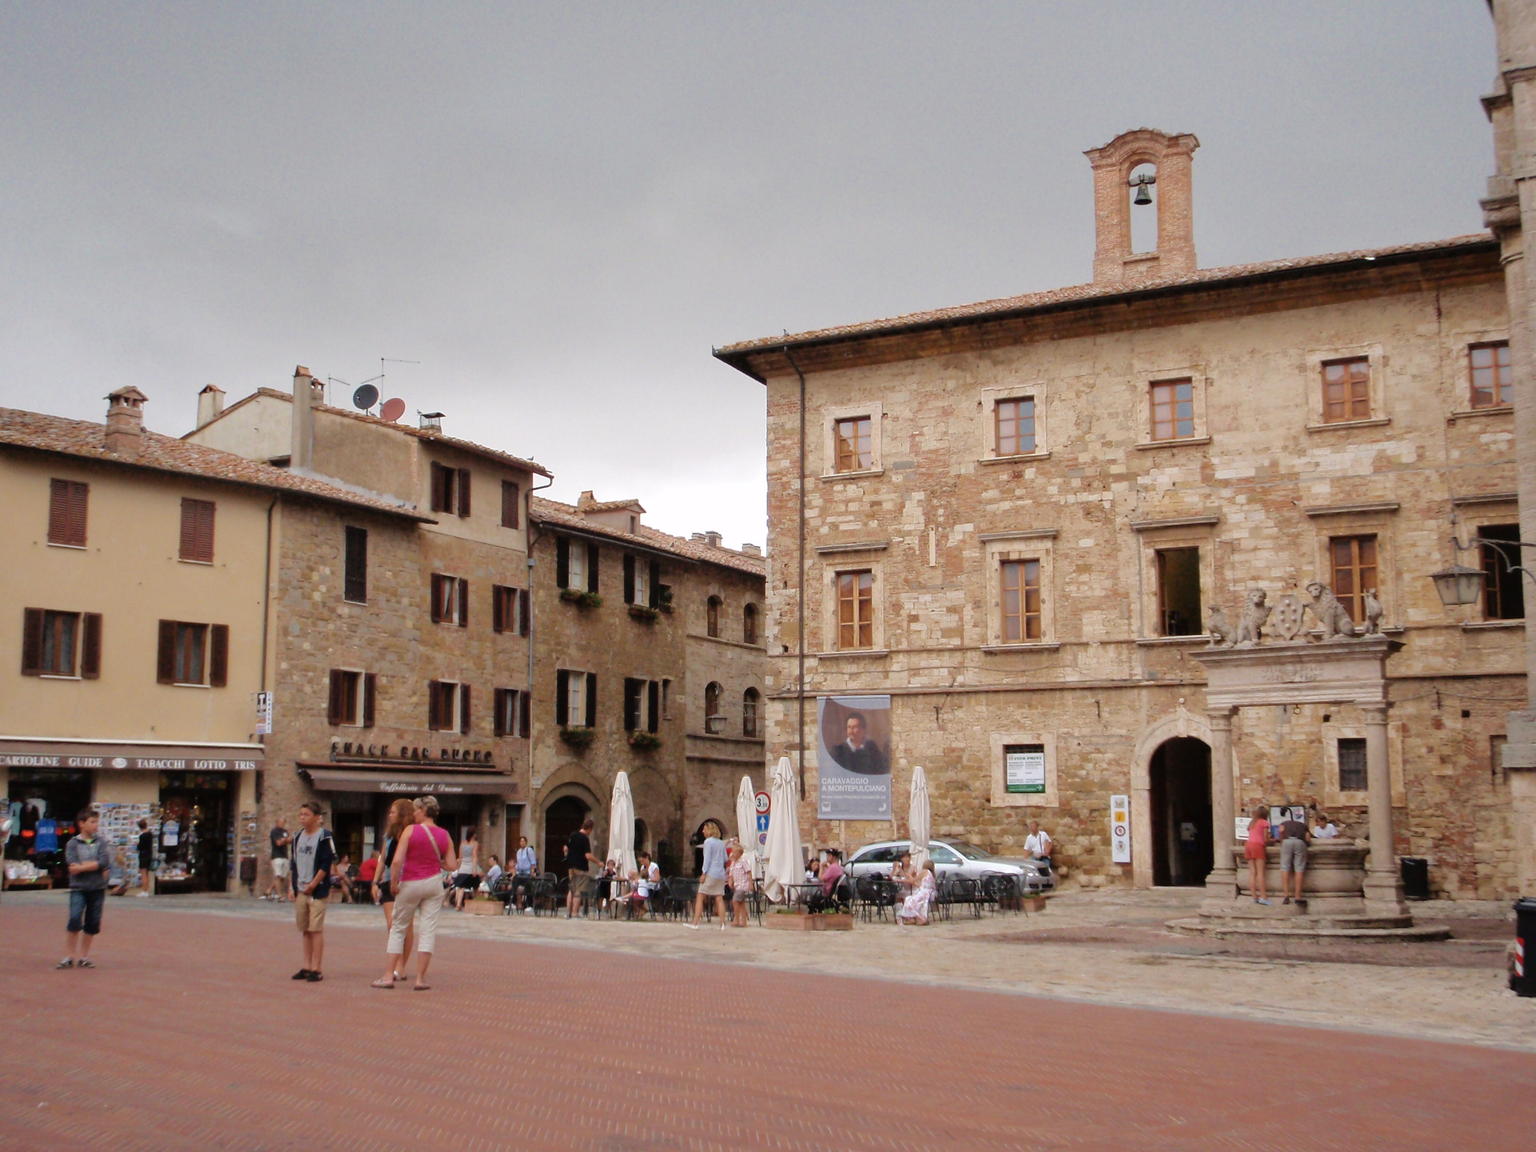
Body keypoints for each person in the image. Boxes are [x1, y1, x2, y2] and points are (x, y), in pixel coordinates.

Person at [373, 795, 456, 991]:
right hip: (434, 884)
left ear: (423, 811)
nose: (414, 813)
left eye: (417, 810)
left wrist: (393, 882)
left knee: (398, 927)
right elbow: (452, 865)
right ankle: (420, 979)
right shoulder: (444, 834)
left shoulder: (411, 830)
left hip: (411, 881)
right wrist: (440, 862)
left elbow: (396, 861)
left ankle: (388, 975)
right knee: (428, 930)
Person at [58, 808, 114, 969]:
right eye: (92, 822)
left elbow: (104, 862)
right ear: (82, 824)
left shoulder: (101, 842)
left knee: (93, 922)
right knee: (74, 919)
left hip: (97, 888)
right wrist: (93, 866)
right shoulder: (72, 843)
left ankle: (84, 956)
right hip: (78, 888)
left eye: (97, 822)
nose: (96, 825)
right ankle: (69, 956)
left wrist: (83, 867)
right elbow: (72, 864)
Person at [370, 798, 416, 981]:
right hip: (389, 880)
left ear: (403, 814)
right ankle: (396, 962)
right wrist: (375, 881)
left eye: (393, 812)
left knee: (407, 924)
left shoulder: (411, 833)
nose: (389, 815)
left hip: (407, 881)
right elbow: (383, 858)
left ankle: (401, 965)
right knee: (392, 924)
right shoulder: (388, 835)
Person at [290, 800, 336, 982]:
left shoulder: (324, 836)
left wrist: (315, 883)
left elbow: (326, 862)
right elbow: (293, 862)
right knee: (305, 929)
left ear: (317, 818)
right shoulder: (296, 837)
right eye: (301, 814)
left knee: (315, 928)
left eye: (306, 815)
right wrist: (291, 886)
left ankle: (317, 967)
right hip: (300, 888)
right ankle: (306, 965)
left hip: (317, 890)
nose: (302, 818)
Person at [688, 821, 728, 930]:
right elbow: (725, 858)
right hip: (720, 874)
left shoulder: (708, 842)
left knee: (700, 896)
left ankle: (695, 922)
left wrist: (703, 873)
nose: (702, 831)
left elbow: (707, 859)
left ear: (709, 830)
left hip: (711, 872)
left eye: (704, 829)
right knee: (719, 898)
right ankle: (722, 923)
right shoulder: (721, 843)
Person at [565, 817, 599, 918]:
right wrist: (598, 862)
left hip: (570, 865)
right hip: (580, 866)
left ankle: (568, 912)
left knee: (571, 889)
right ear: (590, 829)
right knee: (578, 890)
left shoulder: (573, 835)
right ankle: (575, 912)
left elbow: (566, 848)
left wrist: (569, 856)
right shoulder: (584, 838)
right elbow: (587, 855)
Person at [1278, 812, 1310, 905]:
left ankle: (1286, 896)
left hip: (1287, 842)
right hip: (1300, 842)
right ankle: (1297, 896)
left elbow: (1280, 831)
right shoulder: (1303, 825)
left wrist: (1281, 841)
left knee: (1285, 867)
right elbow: (1308, 838)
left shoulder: (1284, 823)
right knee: (1299, 868)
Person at [897, 859, 938, 926]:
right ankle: (911, 918)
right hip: (929, 893)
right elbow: (921, 884)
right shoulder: (931, 874)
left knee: (909, 900)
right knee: (909, 898)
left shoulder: (925, 871)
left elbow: (914, 879)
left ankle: (918, 917)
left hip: (924, 893)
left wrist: (908, 875)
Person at [1245, 805, 1271, 906]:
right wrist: (1272, 840)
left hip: (1248, 846)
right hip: (1257, 846)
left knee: (1252, 872)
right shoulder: (1264, 822)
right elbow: (1265, 839)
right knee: (1260, 873)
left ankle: (1254, 897)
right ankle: (1263, 897)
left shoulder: (1252, 823)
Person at [727, 841, 754, 928]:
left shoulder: (743, 861)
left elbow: (749, 872)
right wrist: (730, 880)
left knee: (735, 901)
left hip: (743, 885)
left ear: (739, 853)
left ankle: (736, 919)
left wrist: (750, 883)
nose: (733, 854)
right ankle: (744, 921)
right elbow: (731, 873)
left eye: (735, 852)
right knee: (741, 903)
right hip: (737, 885)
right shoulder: (733, 863)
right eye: (732, 852)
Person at [451, 828, 479, 910]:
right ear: (473, 834)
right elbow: (474, 856)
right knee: (475, 886)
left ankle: (458, 904)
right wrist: (474, 869)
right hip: (470, 866)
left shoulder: (462, 843)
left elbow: (460, 857)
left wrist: (458, 868)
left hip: (463, 867)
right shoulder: (475, 843)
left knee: (460, 887)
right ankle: (476, 903)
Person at [266, 816, 291, 902]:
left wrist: (285, 840)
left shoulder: (285, 831)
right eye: (281, 822)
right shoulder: (274, 831)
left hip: (285, 856)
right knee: (278, 875)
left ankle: (269, 890)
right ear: (277, 822)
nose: (282, 824)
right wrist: (285, 840)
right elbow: (278, 843)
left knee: (282, 877)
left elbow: (289, 840)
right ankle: (280, 896)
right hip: (276, 856)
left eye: (284, 822)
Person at [631, 850, 662, 918]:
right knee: (634, 892)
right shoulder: (642, 867)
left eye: (642, 861)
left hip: (653, 886)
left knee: (636, 893)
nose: (642, 863)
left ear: (646, 858)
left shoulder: (654, 866)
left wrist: (648, 880)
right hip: (645, 886)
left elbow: (657, 879)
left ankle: (642, 911)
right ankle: (642, 910)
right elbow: (641, 877)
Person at [513, 835, 537, 913]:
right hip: (520, 872)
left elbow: (533, 862)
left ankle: (529, 905)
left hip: (527, 872)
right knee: (515, 883)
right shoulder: (518, 852)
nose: (522, 843)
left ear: (526, 842)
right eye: (521, 841)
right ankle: (516, 902)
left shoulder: (529, 850)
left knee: (528, 886)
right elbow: (518, 863)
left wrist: (533, 872)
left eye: (523, 841)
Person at [136, 818, 154, 897]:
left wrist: (137, 845)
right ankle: (147, 889)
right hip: (149, 854)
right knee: (147, 873)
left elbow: (140, 847)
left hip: (143, 855)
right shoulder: (150, 834)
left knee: (143, 873)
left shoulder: (142, 836)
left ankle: (144, 890)